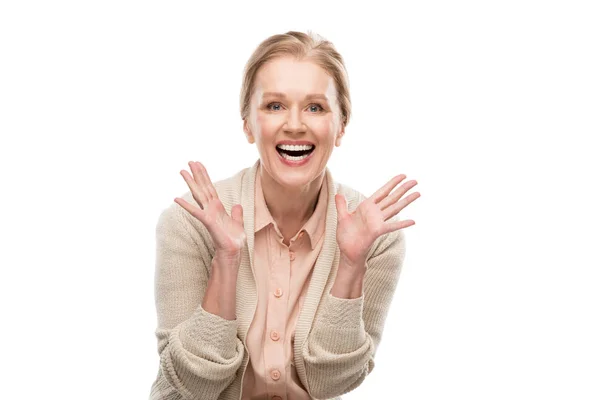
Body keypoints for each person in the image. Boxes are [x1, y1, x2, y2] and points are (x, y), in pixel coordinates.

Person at [149, 31, 420, 400]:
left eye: (315, 107)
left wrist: (351, 265)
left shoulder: (377, 236)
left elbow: (332, 383)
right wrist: (226, 260)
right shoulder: (190, 222)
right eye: (274, 106)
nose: (295, 124)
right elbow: (190, 383)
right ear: (248, 124)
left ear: (341, 126)